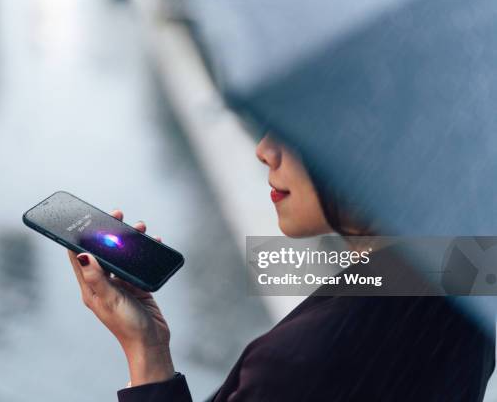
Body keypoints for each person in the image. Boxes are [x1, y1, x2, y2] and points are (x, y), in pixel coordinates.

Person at [68, 134, 495, 401]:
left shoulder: (300, 362)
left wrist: (143, 358)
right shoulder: (464, 274)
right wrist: (150, 348)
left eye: (297, 131)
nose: (265, 150)